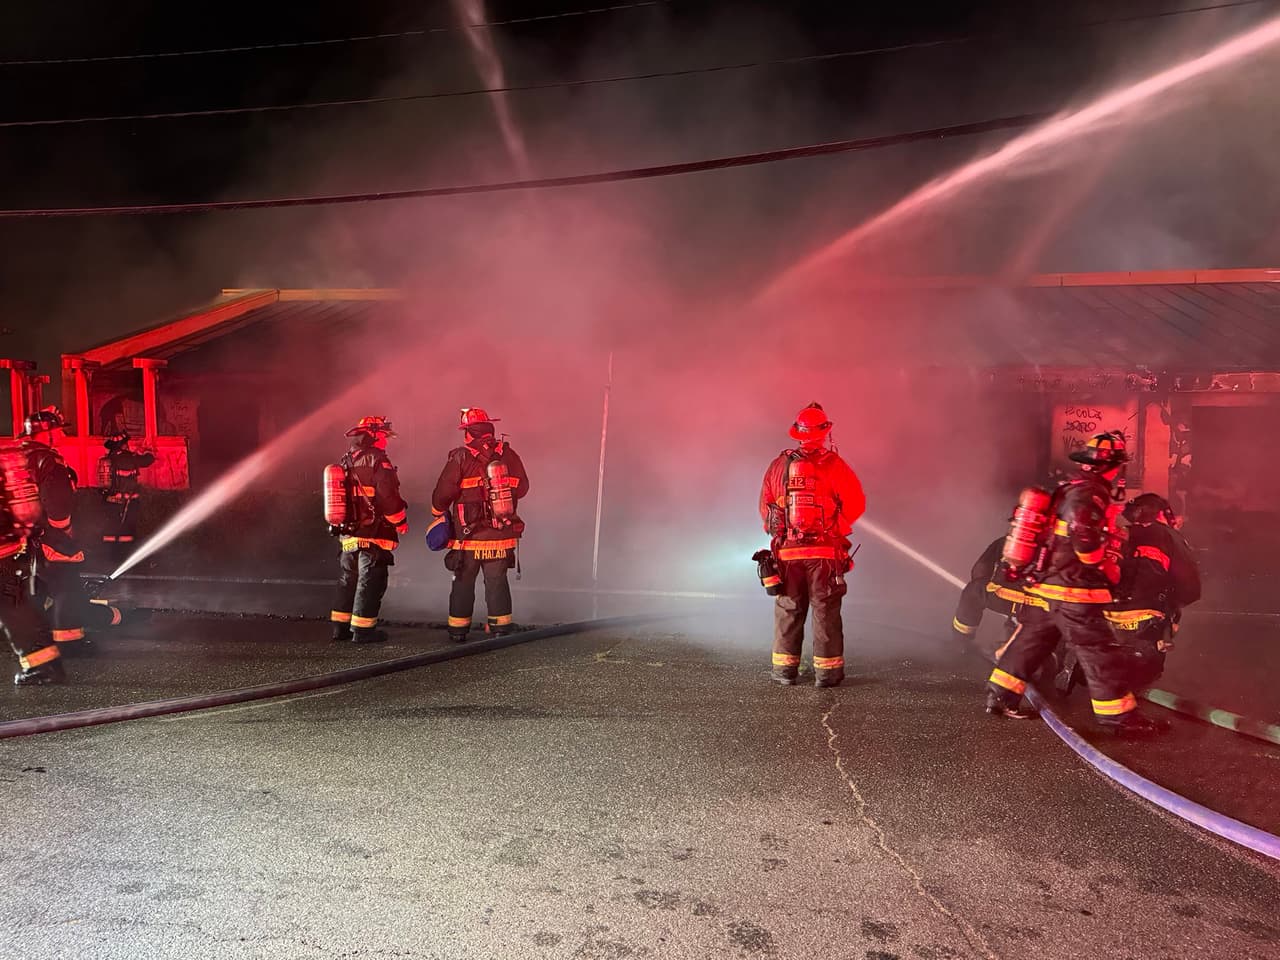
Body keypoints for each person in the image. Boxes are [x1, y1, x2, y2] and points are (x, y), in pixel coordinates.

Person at [985, 431, 1164, 734]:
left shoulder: (1070, 487)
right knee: (1097, 648)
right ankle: (1118, 716)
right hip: (1073, 587)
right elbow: (1083, 534)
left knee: (1033, 639)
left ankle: (1000, 695)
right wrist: (1105, 566)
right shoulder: (1090, 492)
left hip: (1049, 582)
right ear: (1113, 465)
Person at [758, 403, 866, 688]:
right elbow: (856, 503)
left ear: (798, 433)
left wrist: (782, 537)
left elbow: (765, 511)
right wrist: (835, 529)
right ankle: (827, 674)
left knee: (788, 609)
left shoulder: (777, 466)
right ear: (824, 432)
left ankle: (784, 672)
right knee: (825, 610)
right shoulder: (834, 465)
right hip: (824, 555)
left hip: (788, 554)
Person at [23, 408, 121, 655]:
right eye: (58, 430)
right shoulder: (49, 460)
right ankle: (70, 642)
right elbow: (57, 500)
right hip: (46, 533)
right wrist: (63, 530)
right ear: (49, 434)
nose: (62, 435)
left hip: (19, 535)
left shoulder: (17, 455)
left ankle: (31, 637)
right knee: (66, 585)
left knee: (32, 585)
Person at [431, 408, 529, 642]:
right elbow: (523, 488)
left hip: (468, 537)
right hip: (500, 535)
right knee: (497, 583)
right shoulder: (508, 455)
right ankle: (501, 630)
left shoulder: (461, 457)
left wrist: (437, 512)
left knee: (463, 583)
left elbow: (443, 494)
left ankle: (458, 632)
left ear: (468, 434)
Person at [1101, 493, 1201, 692]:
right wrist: (1173, 607)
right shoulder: (1171, 537)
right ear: (1168, 515)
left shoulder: (1121, 533)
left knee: (1106, 672)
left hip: (1104, 615)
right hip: (1146, 621)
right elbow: (1190, 587)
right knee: (1142, 676)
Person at [329, 417, 408, 644]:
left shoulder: (345, 461)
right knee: (370, 579)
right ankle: (363, 631)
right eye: (383, 436)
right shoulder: (378, 460)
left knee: (347, 579)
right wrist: (400, 521)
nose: (386, 441)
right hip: (372, 533)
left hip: (347, 534)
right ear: (373, 436)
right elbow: (388, 498)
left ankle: (340, 628)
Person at [1, 439, 63, 685]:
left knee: (14, 612)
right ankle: (48, 663)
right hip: (10, 548)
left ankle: (43, 667)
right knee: (16, 608)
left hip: (4, 552)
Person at [952, 535, 1047, 643]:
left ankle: (961, 643)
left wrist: (988, 585)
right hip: (1052, 605)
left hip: (1038, 605)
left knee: (974, 594)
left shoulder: (1012, 542)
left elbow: (980, 569)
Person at [99, 431, 155, 567]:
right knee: (127, 530)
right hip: (128, 502)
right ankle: (126, 558)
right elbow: (148, 460)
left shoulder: (108, 459)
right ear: (122, 445)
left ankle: (110, 558)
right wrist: (147, 449)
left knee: (111, 530)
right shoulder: (129, 458)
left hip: (109, 501)